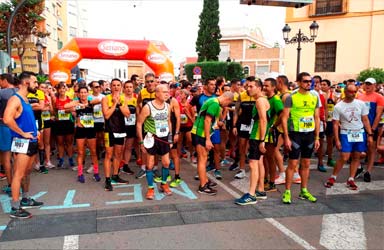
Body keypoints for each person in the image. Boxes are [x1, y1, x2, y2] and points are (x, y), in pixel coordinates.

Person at [4, 71, 44, 219]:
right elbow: (8, 119)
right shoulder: (15, 99)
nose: (37, 85)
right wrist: (22, 133)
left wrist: (35, 132)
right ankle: (15, 208)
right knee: (18, 175)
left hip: (31, 141)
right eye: (34, 82)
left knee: (26, 173)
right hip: (22, 142)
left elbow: (24, 119)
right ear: (26, 83)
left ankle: (25, 199)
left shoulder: (25, 99)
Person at [281, 72, 321, 204]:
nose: (308, 84)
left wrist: (317, 137)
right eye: (305, 81)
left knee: (306, 163)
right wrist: (286, 137)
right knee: (292, 163)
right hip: (295, 134)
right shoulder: (291, 97)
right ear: (298, 82)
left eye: (310, 82)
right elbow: (284, 117)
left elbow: (316, 117)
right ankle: (287, 191)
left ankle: (304, 190)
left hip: (309, 134)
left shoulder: (314, 97)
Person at [324, 84, 373, 190]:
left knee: (356, 157)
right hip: (346, 133)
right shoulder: (339, 106)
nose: (353, 94)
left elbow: (365, 119)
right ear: (345, 92)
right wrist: (337, 140)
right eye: (351, 92)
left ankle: (351, 179)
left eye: (355, 92)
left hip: (359, 133)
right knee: (344, 157)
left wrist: (369, 134)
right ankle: (333, 177)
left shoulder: (361, 104)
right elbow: (336, 124)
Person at [191, 91, 234, 195]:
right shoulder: (215, 103)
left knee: (204, 158)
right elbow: (207, 120)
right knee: (202, 159)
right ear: (227, 99)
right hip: (200, 133)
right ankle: (203, 186)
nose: (226, 106)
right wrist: (208, 139)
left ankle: (205, 180)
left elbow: (211, 121)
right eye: (228, 104)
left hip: (199, 132)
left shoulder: (213, 101)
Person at [235, 77, 270, 205]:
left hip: (257, 136)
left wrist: (261, 140)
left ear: (259, 88)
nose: (248, 89)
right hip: (257, 135)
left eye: (251, 87)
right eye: (247, 87)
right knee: (259, 163)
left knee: (253, 164)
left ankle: (251, 194)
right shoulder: (262, 100)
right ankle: (260, 190)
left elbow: (263, 120)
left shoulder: (260, 101)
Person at [136, 84, 173, 200]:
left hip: (164, 138)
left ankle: (163, 184)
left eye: (168, 92)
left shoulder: (168, 106)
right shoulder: (148, 107)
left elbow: (169, 121)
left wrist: (170, 138)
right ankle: (151, 188)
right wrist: (141, 142)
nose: (167, 94)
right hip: (151, 138)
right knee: (150, 164)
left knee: (166, 163)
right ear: (157, 94)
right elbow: (139, 123)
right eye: (164, 92)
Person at [65, 86, 101, 183]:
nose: (83, 94)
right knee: (81, 152)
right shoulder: (77, 103)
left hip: (91, 129)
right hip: (80, 130)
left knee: (93, 151)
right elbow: (65, 107)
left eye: (85, 92)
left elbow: (99, 100)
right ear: (78, 94)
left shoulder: (91, 102)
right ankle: (80, 174)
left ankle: (96, 172)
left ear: (87, 93)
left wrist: (87, 104)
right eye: (81, 92)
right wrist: (77, 105)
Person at [102, 78, 130, 191]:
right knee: (109, 155)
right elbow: (107, 115)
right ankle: (107, 179)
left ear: (121, 86)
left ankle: (115, 175)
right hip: (109, 130)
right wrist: (114, 104)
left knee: (118, 154)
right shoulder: (105, 98)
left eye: (118, 85)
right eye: (114, 85)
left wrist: (120, 104)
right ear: (110, 86)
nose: (116, 87)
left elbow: (127, 114)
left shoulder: (123, 99)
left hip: (121, 130)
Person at [355, 77, 384, 182]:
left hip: (372, 127)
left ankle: (368, 171)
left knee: (371, 150)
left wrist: (372, 129)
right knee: (357, 149)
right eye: (366, 84)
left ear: (375, 86)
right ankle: (358, 167)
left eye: (370, 84)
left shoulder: (379, 97)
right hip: (359, 127)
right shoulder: (359, 97)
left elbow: (378, 114)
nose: (367, 86)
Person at [231, 76, 256, 179]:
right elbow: (236, 111)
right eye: (246, 85)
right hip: (243, 124)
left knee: (254, 147)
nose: (248, 88)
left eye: (250, 86)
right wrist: (234, 125)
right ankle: (241, 169)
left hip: (254, 124)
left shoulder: (259, 96)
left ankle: (255, 169)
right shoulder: (241, 96)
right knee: (242, 146)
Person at [262, 78, 284, 192]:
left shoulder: (276, 100)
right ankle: (265, 179)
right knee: (265, 157)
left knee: (270, 158)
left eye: (267, 86)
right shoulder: (266, 98)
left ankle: (272, 183)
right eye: (264, 85)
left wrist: (274, 126)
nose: (264, 87)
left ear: (273, 87)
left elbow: (283, 114)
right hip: (264, 132)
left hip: (271, 133)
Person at [0, 74, 18, 195]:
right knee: (17, 157)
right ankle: (19, 184)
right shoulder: (20, 92)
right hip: (18, 128)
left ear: (5, 80)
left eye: (0, 81)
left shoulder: (1, 93)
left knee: (6, 158)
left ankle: (11, 185)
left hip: (4, 126)